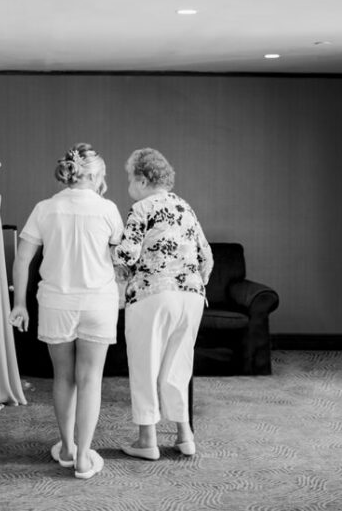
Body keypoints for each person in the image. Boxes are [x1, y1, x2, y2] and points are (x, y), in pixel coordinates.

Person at [9, 143, 123, 480]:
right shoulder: (108, 209)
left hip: (56, 303)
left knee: (64, 378)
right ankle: (84, 458)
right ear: (96, 175)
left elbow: (22, 258)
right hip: (98, 302)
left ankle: (67, 448)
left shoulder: (45, 208)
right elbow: (119, 261)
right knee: (90, 380)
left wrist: (19, 304)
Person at [112, 148, 212, 461]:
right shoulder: (185, 206)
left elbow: (126, 256)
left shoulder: (142, 207)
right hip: (191, 297)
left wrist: (111, 252)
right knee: (177, 367)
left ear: (142, 180)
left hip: (152, 295)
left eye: (129, 178)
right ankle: (185, 436)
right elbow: (206, 257)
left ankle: (147, 441)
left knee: (145, 366)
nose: (128, 184)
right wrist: (194, 282)